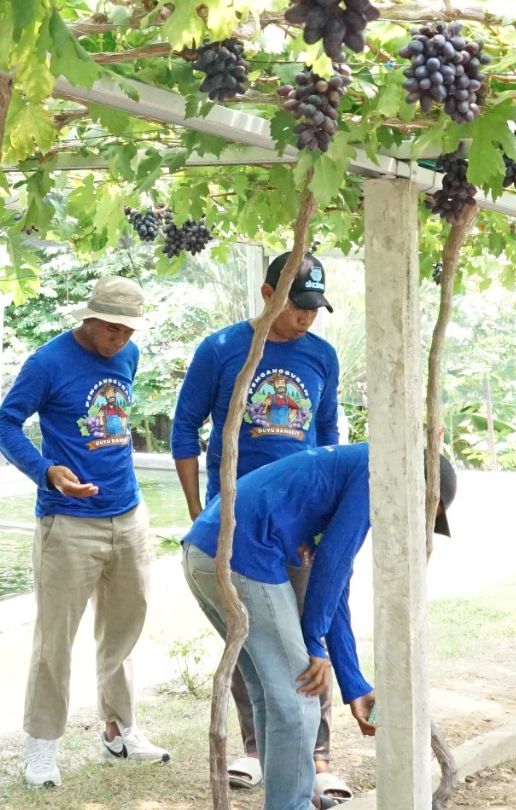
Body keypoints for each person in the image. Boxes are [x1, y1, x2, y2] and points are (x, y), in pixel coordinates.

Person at [181, 443, 455, 810]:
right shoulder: (375, 473)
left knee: (272, 695)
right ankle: (292, 805)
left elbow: (335, 580)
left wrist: (353, 682)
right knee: (300, 695)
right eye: (423, 510)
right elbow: (332, 564)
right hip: (242, 554)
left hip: (202, 552)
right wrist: (313, 644)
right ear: (414, 485)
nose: (412, 521)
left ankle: (293, 800)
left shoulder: (356, 465)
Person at [171, 252, 346, 795]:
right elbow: (184, 429)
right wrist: (200, 509)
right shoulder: (223, 349)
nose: (306, 319)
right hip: (239, 527)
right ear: (269, 294)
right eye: (298, 307)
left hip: (301, 529)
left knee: (310, 630)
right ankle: (255, 749)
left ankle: (317, 757)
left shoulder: (322, 356)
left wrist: (324, 517)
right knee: (253, 639)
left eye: (316, 309)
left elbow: (327, 433)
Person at [0, 274, 169, 788]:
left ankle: (119, 728)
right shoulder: (48, 363)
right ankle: (42, 745)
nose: (121, 339)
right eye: (113, 328)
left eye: (129, 331)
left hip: (128, 514)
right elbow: (5, 424)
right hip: (67, 522)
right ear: (88, 318)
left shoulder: (128, 357)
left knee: (124, 628)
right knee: (56, 640)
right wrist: (46, 470)